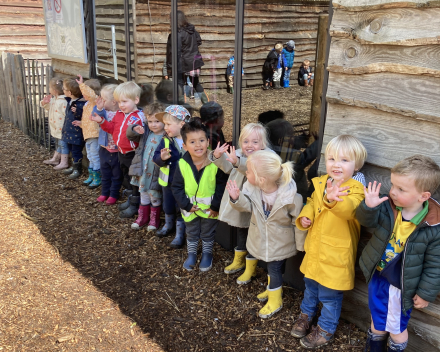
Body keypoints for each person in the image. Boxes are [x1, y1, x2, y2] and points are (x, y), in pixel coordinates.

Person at [291, 135, 367, 349]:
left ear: (357, 165)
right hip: (316, 250)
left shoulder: (357, 190)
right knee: (311, 286)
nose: (336, 164)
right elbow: (312, 202)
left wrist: (332, 200)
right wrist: (306, 217)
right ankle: (306, 315)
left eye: (344, 160)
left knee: (330, 295)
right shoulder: (324, 183)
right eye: (332, 159)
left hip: (335, 255)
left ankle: (325, 329)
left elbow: (349, 210)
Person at [357, 155, 440, 352]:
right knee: (377, 317)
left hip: (400, 284)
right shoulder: (389, 207)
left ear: (423, 196)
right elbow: (366, 221)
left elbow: (435, 264)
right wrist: (368, 207)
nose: (392, 192)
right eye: (393, 185)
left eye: (401, 189)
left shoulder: (433, 226)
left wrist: (425, 292)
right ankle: (374, 346)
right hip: (378, 274)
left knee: (395, 327)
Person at [226, 150, 305, 318]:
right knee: (272, 268)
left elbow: (297, 221)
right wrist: (236, 198)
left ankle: (276, 300)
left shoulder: (290, 197)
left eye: (248, 171)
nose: (245, 173)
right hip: (262, 238)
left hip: (280, 241)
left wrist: (301, 245)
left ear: (261, 179)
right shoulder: (253, 190)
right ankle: (272, 290)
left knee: (274, 269)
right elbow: (247, 207)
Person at [208, 123, 271, 277]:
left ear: (263, 144)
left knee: (254, 234)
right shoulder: (238, 153)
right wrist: (217, 157)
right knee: (242, 230)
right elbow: (228, 167)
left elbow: (252, 169)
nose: (249, 145)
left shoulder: (267, 157)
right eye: (246, 141)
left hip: (256, 201)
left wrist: (237, 162)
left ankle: (251, 267)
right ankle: (239, 260)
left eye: (255, 142)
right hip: (240, 199)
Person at [171, 120, 228, 272]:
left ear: (208, 142)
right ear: (184, 145)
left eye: (202, 140)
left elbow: (221, 186)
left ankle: (207, 254)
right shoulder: (182, 163)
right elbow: (176, 187)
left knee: (208, 232)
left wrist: (216, 206)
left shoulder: (215, 162)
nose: (198, 145)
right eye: (192, 142)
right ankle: (192, 254)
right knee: (192, 231)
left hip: (210, 209)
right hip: (190, 209)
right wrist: (186, 205)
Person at [90, 81, 145, 218]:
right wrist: (101, 122)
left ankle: (135, 205)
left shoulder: (139, 116)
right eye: (119, 102)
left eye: (124, 101)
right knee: (127, 178)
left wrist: (140, 131)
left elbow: (142, 137)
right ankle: (131, 199)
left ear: (136, 100)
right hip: (121, 152)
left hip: (133, 154)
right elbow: (111, 129)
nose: (121, 105)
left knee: (135, 180)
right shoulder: (119, 114)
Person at [153, 105, 191, 248]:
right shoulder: (166, 140)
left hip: (185, 184)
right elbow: (155, 158)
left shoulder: (191, 140)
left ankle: (180, 234)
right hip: (168, 183)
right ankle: (168, 225)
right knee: (168, 205)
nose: (165, 127)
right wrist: (162, 158)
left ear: (182, 124)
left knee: (181, 206)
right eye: (165, 124)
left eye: (169, 124)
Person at [127, 103, 165, 231]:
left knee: (155, 196)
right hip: (143, 170)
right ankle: (143, 217)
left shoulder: (167, 136)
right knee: (143, 194)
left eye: (157, 121)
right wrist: (134, 128)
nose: (153, 124)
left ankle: (154, 219)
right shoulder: (146, 132)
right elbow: (130, 135)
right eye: (150, 121)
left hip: (155, 172)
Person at [165, 10, 209, 104]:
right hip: (194, 62)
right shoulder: (192, 31)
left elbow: (171, 52)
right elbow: (199, 41)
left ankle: (182, 110)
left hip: (181, 63)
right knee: (196, 83)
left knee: (180, 85)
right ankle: (209, 107)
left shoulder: (175, 34)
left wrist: (169, 67)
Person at [94, 84, 123, 205]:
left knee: (116, 175)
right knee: (105, 173)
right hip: (104, 148)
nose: (102, 102)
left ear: (114, 102)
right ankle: (104, 192)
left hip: (116, 150)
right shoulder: (103, 112)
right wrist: (99, 108)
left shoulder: (121, 114)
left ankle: (114, 194)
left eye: (104, 100)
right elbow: (95, 115)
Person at [73, 75, 102, 189]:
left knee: (95, 156)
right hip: (88, 134)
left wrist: (82, 84)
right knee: (90, 156)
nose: (82, 93)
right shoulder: (87, 104)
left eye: (84, 90)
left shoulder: (95, 102)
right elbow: (87, 120)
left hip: (95, 134)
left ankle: (97, 178)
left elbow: (91, 95)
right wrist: (81, 124)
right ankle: (92, 176)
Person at [61, 77, 86, 179]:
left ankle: (77, 169)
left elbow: (82, 116)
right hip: (70, 132)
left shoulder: (80, 104)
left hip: (77, 134)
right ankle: (73, 166)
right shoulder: (71, 101)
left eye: (64, 88)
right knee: (71, 149)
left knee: (76, 151)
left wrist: (77, 111)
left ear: (70, 92)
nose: (62, 89)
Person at [40, 78, 68, 169]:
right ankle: (56, 159)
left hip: (62, 127)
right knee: (60, 143)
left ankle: (64, 162)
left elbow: (67, 115)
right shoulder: (54, 99)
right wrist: (44, 102)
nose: (49, 89)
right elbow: (48, 107)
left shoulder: (63, 101)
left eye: (50, 88)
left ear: (55, 91)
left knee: (63, 144)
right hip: (56, 127)